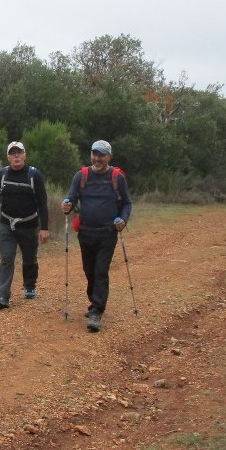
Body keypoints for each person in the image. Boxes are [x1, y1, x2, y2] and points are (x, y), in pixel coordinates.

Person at [60, 140, 132, 332]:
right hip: (85, 232)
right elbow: (71, 197)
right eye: (94, 154)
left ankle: (96, 310)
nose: (97, 158)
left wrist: (123, 219)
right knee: (89, 270)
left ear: (109, 157)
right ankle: (95, 302)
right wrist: (66, 204)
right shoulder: (81, 176)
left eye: (101, 155)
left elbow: (126, 203)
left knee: (100, 270)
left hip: (108, 234)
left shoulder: (117, 177)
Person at [0, 141, 49, 308]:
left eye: (19, 152)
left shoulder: (34, 175)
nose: (16, 155)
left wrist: (44, 228)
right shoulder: (2, 175)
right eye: (13, 153)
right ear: (8, 157)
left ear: (24, 155)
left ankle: (30, 285)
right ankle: (2, 295)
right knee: (7, 258)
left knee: (29, 258)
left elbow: (43, 202)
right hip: (7, 225)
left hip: (29, 226)